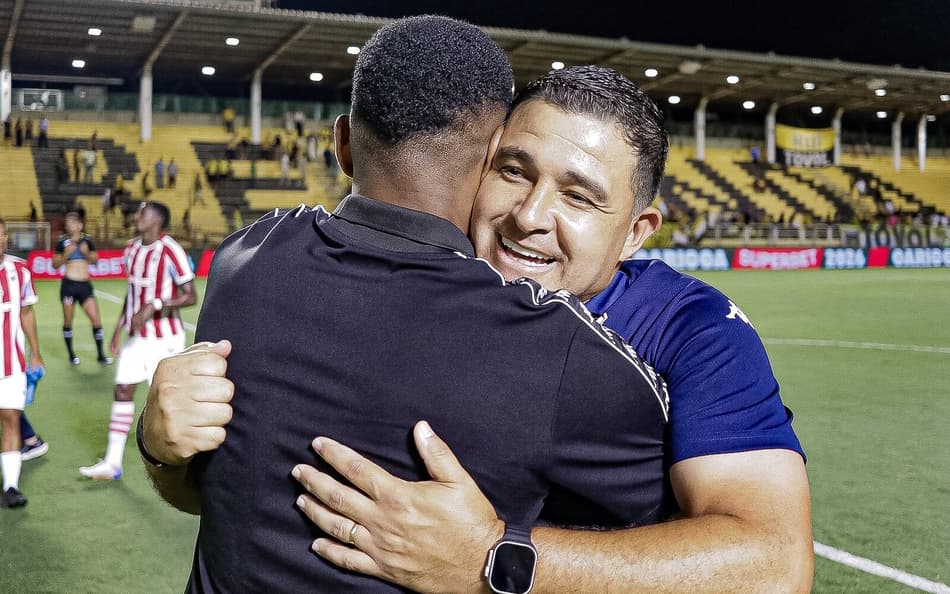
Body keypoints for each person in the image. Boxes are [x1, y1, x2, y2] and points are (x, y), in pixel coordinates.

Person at [147, 65, 813, 592]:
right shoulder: (397, 288)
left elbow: (775, 565)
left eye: (578, 196)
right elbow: (246, 498)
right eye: (513, 171)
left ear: (636, 231)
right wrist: (163, 452)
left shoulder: (691, 331)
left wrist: (495, 561)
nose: (529, 214)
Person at [79, 201, 196, 480]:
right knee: (122, 390)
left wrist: (153, 305)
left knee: (166, 401)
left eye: (143, 212)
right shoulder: (131, 249)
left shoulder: (171, 250)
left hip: (164, 337)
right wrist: (119, 328)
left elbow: (190, 295)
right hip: (136, 338)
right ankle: (112, 463)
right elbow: (131, 294)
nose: (136, 216)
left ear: (157, 220)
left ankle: (188, 464)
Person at [0, 218, 44, 508]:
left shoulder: (19, 270)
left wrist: (35, 352)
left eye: (2, 235)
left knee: (11, 418)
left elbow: (26, 312)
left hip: (11, 363)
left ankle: (11, 487)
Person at [52, 209, 112, 366]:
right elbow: (55, 265)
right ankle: (72, 355)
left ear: (79, 225)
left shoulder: (87, 240)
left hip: (85, 285)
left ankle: (100, 355)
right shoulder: (62, 242)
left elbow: (95, 261)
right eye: (67, 223)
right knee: (68, 321)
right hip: (69, 285)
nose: (69, 225)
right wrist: (66, 254)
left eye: (72, 222)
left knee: (96, 319)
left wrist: (85, 254)